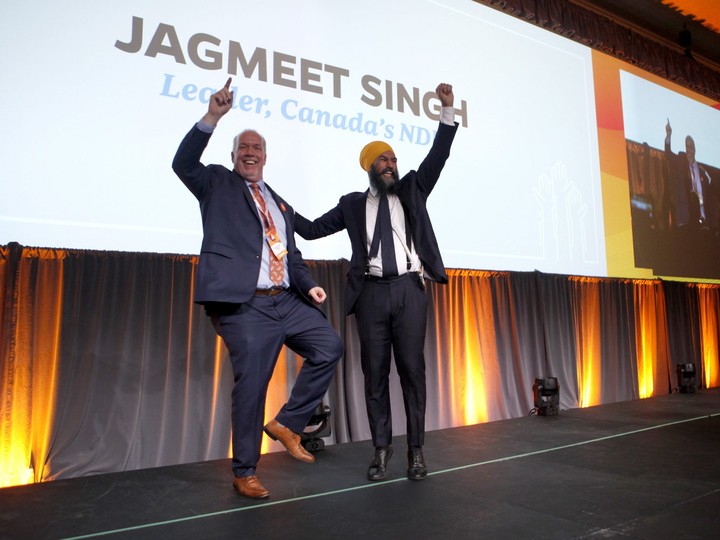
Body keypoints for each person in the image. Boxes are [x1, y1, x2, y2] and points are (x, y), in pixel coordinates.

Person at [172, 78, 343, 500]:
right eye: (243, 149)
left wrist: (309, 285)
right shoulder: (215, 183)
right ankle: (245, 470)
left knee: (329, 346)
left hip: (286, 298)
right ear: (233, 157)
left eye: (257, 149)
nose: (250, 154)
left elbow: (291, 253)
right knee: (252, 384)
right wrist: (212, 116)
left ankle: (287, 423)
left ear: (265, 157)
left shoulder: (277, 201)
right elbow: (183, 164)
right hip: (243, 303)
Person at [294, 82, 458, 482]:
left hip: (408, 291)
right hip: (369, 294)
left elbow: (439, 154)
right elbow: (313, 229)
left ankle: (416, 451)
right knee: (374, 375)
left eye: (394, 159)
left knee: (412, 373)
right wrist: (278, 206)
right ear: (369, 165)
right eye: (383, 159)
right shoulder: (352, 204)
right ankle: (381, 450)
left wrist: (447, 111)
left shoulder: (413, 189)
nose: (391, 163)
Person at [665, 119, 714, 230]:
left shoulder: (702, 171)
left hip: (703, 222)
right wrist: (668, 135)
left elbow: (709, 194)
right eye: (686, 146)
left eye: (690, 146)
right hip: (685, 220)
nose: (688, 149)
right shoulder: (681, 163)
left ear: (694, 149)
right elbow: (668, 154)